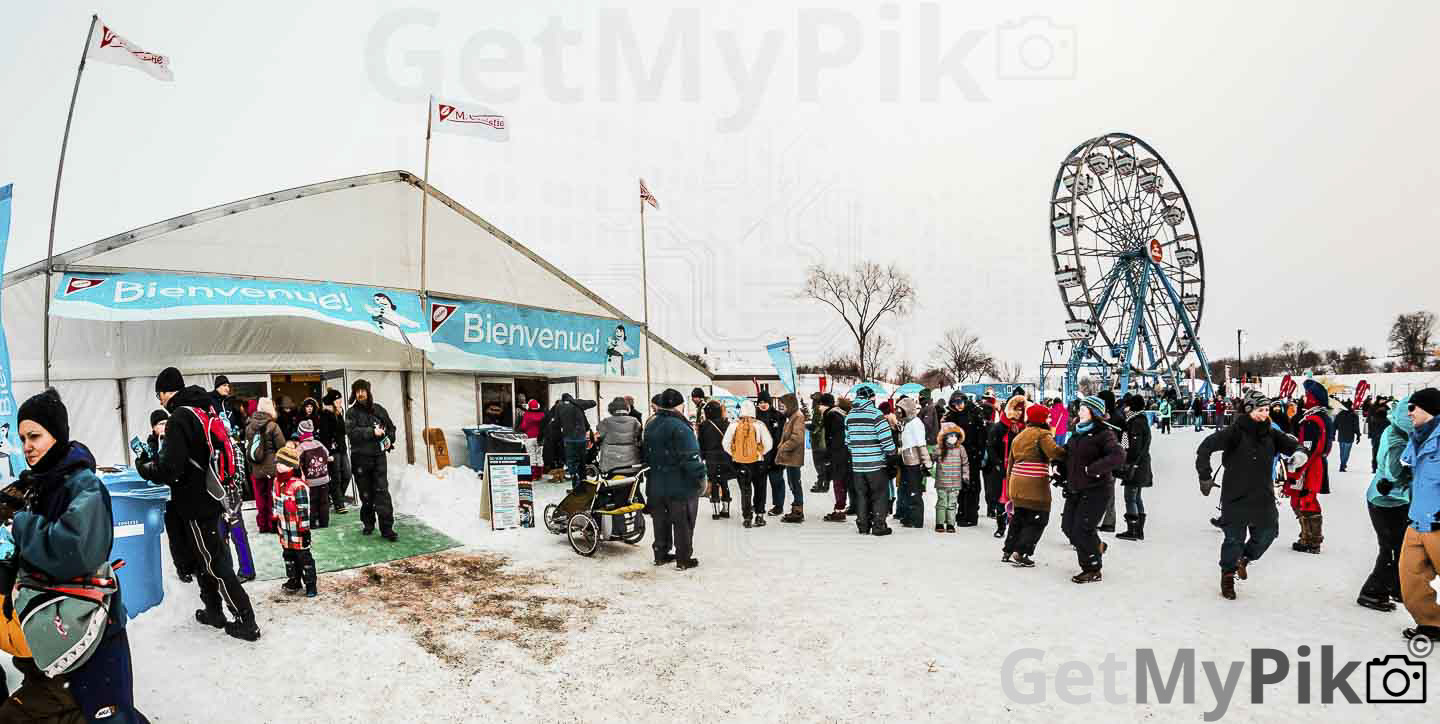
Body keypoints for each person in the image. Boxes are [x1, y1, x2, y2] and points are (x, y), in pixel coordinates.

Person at [2, 390, 148, 722]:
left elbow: (74, 550)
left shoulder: (84, 486)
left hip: (90, 626)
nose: (27, 446)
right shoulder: (40, 483)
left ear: (57, 434)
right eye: (23, 437)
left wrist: (21, 523)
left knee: (107, 713)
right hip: (57, 624)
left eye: (35, 436)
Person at [138, 367, 260, 641]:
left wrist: (144, 467)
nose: (160, 401)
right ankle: (213, 610)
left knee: (215, 561)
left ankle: (245, 619)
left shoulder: (181, 416)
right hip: (208, 496)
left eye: (160, 395)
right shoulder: (203, 408)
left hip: (196, 502)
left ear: (167, 391)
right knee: (204, 558)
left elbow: (171, 468)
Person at [1196, 390, 1305, 601]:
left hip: (1262, 494)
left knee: (1268, 532)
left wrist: (1299, 454)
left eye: (1266, 410)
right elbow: (1205, 447)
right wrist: (1205, 476)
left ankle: (1244, 559)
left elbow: (1294, 445)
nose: (1264, 414)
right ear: (1248, 410)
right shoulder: (1234, 432)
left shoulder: (1271, 433)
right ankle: (1227, 574)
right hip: (1235, 494)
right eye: (1259, 410)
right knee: (1233, 539)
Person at [1358, 394, 1414, 612]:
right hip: (1383, 501)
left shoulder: (1405, 434)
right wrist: (1410, 477)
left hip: (1399, 499)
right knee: (1390, 548)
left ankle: (1394, 586)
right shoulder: (1397, 439)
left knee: (1401, 546)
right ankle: (1372, 591)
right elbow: (1393, 469)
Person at [1057, 397, 1123, 583]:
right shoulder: (1077, 433)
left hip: (1097, 489)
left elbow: (1118, 455)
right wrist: (1058, 466)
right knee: (1068, 527)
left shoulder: (1104, 433)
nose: (1079, 412)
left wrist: (1092, 469)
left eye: (1084, 409)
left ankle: (1092, 568)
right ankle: (1097, 546)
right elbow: (1069, 455)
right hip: (1075, 488)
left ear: (1094, 413)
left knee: (1082, 529)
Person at [645, 388, 706, 570]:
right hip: (679, 484)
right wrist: (700, 476)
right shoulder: (680, 427)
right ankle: (683, 558)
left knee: (660, 520)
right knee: (682, 522)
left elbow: (645, 454)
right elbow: (690, 457)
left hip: (656, 483)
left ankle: (661, 553)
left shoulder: (651, 424)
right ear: (678, 405)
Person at [1003, 403, 1067, 568]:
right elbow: (1054, 453)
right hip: (1034, 484)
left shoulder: (1020, 436)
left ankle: (1008, 550)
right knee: (1038, 518)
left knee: (1019, 517)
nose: (1050, 419)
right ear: (1042, 419)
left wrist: (1010, 486)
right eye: (1048, 416)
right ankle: (1022, 551)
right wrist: (1068, 452)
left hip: (1017, 482)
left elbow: (1010, 463)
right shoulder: (1042, 434)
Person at [1398, 388, 1440, 640]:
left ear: (1430, 410)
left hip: (1438, 519)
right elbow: (1410, 470)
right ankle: (1431, 623)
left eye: (1413, 407)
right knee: (1409, 575)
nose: (1409, 412)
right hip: (1417, 519)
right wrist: (1392, 484)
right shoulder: (1417, 437)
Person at [1283, 380, 1333, 554]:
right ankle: (1309, 537)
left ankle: (1310, 540)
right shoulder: (1322, 417)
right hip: (1315, 464)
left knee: (1305, 500)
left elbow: (1309, 449)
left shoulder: (1313, 420)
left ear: (1313, 399)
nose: (1304, 399)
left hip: (1309, 465)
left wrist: (1296, 470)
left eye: (1307, 396)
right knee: (1303, 500)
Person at [346, 379, 398, 541]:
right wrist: (371, 432)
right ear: (354, 394)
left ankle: (387, 528)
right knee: (366, 495)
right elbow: (351, 432)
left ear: (368, 392)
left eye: (363, 390)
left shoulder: (379, 410)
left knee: (382, 492)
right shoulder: (351, 413)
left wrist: (389, 439)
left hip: (378, 459)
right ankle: (368, 524)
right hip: (360, 459)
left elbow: (391, 428)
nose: (361, 394)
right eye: (357, 391)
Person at [844, 386, 897, 536]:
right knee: (879, 494)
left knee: (861, 495)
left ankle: (863, 525)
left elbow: (847, 441)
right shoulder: (876, 415)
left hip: (857, 465)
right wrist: (892, 454)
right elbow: (886, 440)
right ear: (871, 398)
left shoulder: (849, 416)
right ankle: (879, 525)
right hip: (875, 464)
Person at [272, 443, 318, 597]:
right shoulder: (277, 483)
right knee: (289, 557)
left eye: (283, 464)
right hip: (284, 530)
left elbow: (304, 510)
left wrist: (305, 530)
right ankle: (294, 580)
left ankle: (310, 584)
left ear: (292, 466)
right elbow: (275, 502)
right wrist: (275, 518)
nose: (279, 466)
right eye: (278, 463)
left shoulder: (298, 486)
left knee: (304, 559)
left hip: (298, 531)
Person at [722, 400, 773, 528]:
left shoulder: (733, 425)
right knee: (760, 489)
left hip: (740, 463)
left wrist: (735, 454)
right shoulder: (759, 425)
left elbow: (725, 444)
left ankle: (747, 517)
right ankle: (759, 516)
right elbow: (769, 444)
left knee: (745, 490)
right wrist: (759, 452)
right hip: (758, 462)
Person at [984, 395, 1026, 539]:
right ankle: (1001, 527)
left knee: (1017, 499)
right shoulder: (999, 427)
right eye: (1017, 409)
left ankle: (1015, 528)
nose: (1019, 413)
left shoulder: (1024, 428)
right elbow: (991, 447)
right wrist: (998, 464)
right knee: (1001, 498)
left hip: (1018, 468)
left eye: (1022, 410)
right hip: (1002, 468)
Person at [245, 397, 287, 535]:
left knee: (260, 498)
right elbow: (281, 447)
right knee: (271, 497)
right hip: (271, 468)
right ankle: (272, 524)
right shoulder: (273, 426)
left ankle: (262, 525)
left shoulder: (249, 426)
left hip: (256, 469)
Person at [1116, 394, 1154, 542]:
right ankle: (1138, 529)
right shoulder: (1137, 421)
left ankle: (1133, 530)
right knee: (1136, 497)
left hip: (1136, 465)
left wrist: (1128, 462)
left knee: (1130, 497)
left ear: (1131, 407)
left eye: (1126, 406)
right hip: (1140, 463)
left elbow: (1133, 447)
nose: (1124, 409)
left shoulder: (1136, 422)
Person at [895, 397, 931, 528]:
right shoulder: (908, 423)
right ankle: (909, 516)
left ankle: (916, 519)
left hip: (914, 463)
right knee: (908, 490)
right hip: (907, 461)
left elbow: (921, 444)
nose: (899, 413)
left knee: (914, 491)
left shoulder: (916, 423)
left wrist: (927, 463)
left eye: (901, 410)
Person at [698, 400, 735, 520]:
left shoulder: (704, 425)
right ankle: (726, 510)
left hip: (711, 457)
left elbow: (701, 443)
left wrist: (703, 456)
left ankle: (715, 512)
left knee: (714, 482)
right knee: (724, 482)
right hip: (725, 457)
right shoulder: (726, 424)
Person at [775, 393, 808, 523]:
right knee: (792, 482)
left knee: (795, 483)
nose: (782, 408)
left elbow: (797, 438)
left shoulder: (798, 417)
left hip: (794, 457)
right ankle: (796, 508)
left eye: (784, 405)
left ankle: (798, 510)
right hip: (791, 458)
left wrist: (783, 447)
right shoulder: (792, 417)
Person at [553, 393, 597, 488]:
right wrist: (576, 402)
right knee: (581, 460)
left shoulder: (559, 407)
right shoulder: (578, 403)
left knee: (571, 460)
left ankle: (575, 478)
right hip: (581, 438)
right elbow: (593, 403)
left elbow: (557, 422)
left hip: (568, 438)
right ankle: (582, 480)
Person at [755, 390, 787, 516]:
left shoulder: (779, 416)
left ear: (770, 402)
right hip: (759, 456)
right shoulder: (754, 416)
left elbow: (783, 436)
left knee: (776, 481)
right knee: (759, 483)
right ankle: (758, 504)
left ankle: (778, 505)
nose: (763, 405)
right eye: (760, 402)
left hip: (775, 455)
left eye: (765, 402)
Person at [821, 395, 853, 522]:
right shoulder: (841, 414)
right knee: (843, 482)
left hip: (838, 454)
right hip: (845, 453)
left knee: (838, 482)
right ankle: (844, 507)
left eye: (820, 405)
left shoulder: (832, 416)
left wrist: (829, 455)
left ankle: (839, 510)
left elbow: (833, 438)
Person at [934, 423, 970, 532]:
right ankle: (939, 523)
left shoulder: (961, 449)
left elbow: (965, 463)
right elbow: (932, 459)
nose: (952, 438)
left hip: (955, 481)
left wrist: (965, 475)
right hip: (942, 481)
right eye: (950, 436)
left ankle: (950, 524)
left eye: (955, 436)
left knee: (952, 503)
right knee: (942, 502)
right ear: (944, 437)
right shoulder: (939, 448)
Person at [319, 389, 350, 514]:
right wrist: (328, 453)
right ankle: (339, 504)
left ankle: (336, 496)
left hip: (342, 449)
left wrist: (341, 415)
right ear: (332, 402)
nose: (340, 402)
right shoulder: (325, 415)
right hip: (332, 451)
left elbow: (344, 430)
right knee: (336, 477)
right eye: (337, 400)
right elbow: (324, 436)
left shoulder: (339, 413)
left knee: (347, 474)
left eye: (340, 399)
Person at [296, 420, 332, 528]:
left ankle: (312, 523)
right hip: (324, 479)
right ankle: (324, 522)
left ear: (301, 434)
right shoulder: (319, 443)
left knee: (312, 503)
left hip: (311, 481)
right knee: (324, 502)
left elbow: (295, 461)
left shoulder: (301, 447)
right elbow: (327, 454)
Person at [595, 398, 643, 475]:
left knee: (612, 485)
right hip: (631, 463)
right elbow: (638, 436)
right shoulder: (635, 421)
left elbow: (598, 437)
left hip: (610, 464)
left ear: (611, 409)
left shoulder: (606, 422)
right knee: (632, 485)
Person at [808, 393, 831, 494]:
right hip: (822, 442)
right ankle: (823, 483)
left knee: (819, 464)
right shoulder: (821, 409)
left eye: (813, 400)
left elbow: (818, 425)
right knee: (822, 464)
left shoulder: (818, 410)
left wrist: (809, 428)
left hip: (818, 442)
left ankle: (822, 484)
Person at [1334, 400, 1361, 472]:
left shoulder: (1339, 414)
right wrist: (1358, 435)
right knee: (1346, 452)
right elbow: (1356, 427)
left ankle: (1343, 463)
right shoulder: (1354, 415)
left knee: (1342, 452)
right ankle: (1343, 465)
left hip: (1341, 435)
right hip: (1349, 436)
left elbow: (1334, 426)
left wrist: (1333, 434)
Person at [1368, 399, 1391, 474]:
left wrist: (1371, 435)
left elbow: (1371, 429)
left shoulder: (1374, 421)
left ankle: (1374, 467)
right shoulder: (1387, 422)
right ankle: (1382, 467)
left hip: (1375, 439)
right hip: (1384, 440)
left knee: (1374, 453)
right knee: (1383, 453)